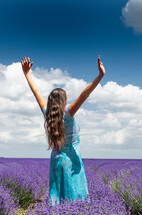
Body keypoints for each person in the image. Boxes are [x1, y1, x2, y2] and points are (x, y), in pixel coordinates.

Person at [21, 56, 105, 205]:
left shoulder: (47, 112)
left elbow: (36, 93)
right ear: (63, 101)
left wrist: (26, 74)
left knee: (57, 196)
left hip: (56, 161)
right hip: (72, 161)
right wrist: (100, 76)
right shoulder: (68, 112)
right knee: (75, 195)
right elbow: (84, 95)